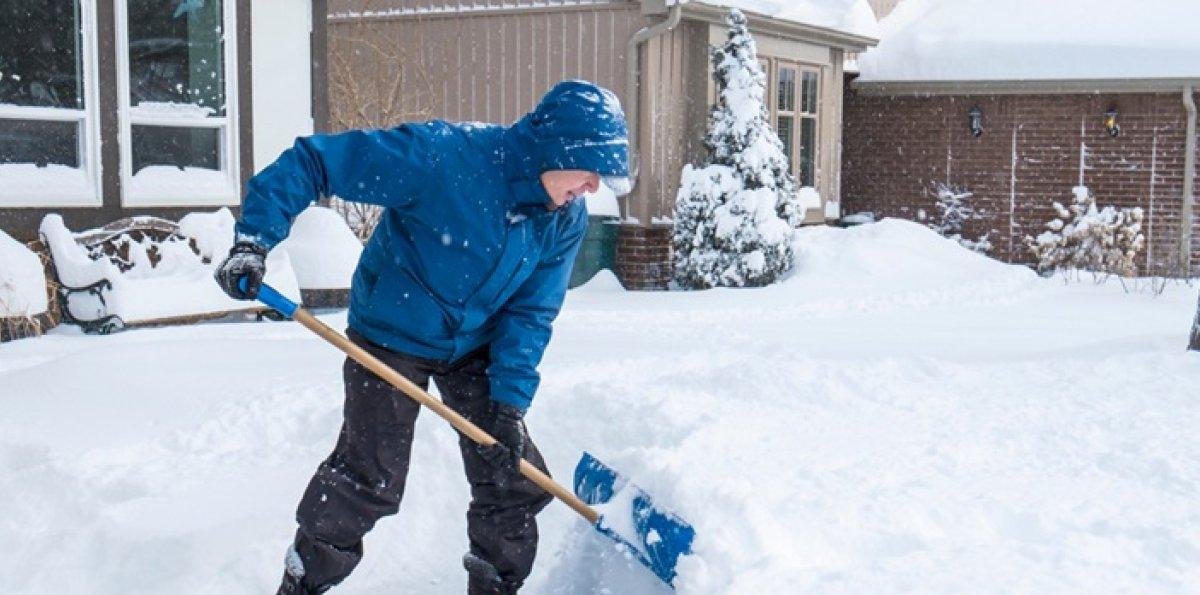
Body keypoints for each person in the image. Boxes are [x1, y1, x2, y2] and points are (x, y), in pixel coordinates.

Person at [213, 80, 630, 594]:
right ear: (557, 149)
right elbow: (314, 161)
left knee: (513, 476)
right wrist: (254, 239)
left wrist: (509, 405)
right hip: (393, 332)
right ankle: (301, 583)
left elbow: (532, 312)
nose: (593, 188)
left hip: (475, 343)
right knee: (369, 479)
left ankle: (495, 588)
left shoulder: (564, 218)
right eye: (590, 171)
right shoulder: (443, 157)